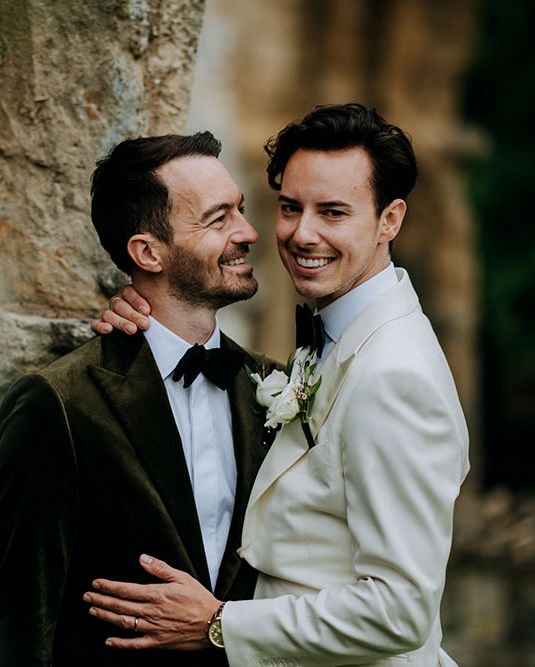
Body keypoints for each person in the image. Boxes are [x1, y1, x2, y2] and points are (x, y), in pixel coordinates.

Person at [84, 103, 470, 667]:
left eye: (334, 212)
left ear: (391, 219)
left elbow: (402, 610)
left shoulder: (394, 377)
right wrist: (150, 326)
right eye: (291, 207)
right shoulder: (331, 338)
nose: (299, 234)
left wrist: (218, 624)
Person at [0, 131, 271, 666]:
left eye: (241, 210)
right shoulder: (60, 404)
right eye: (218, 218)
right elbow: (21, 625)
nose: (248, 232)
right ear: (147, 252)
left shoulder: (273, 390)